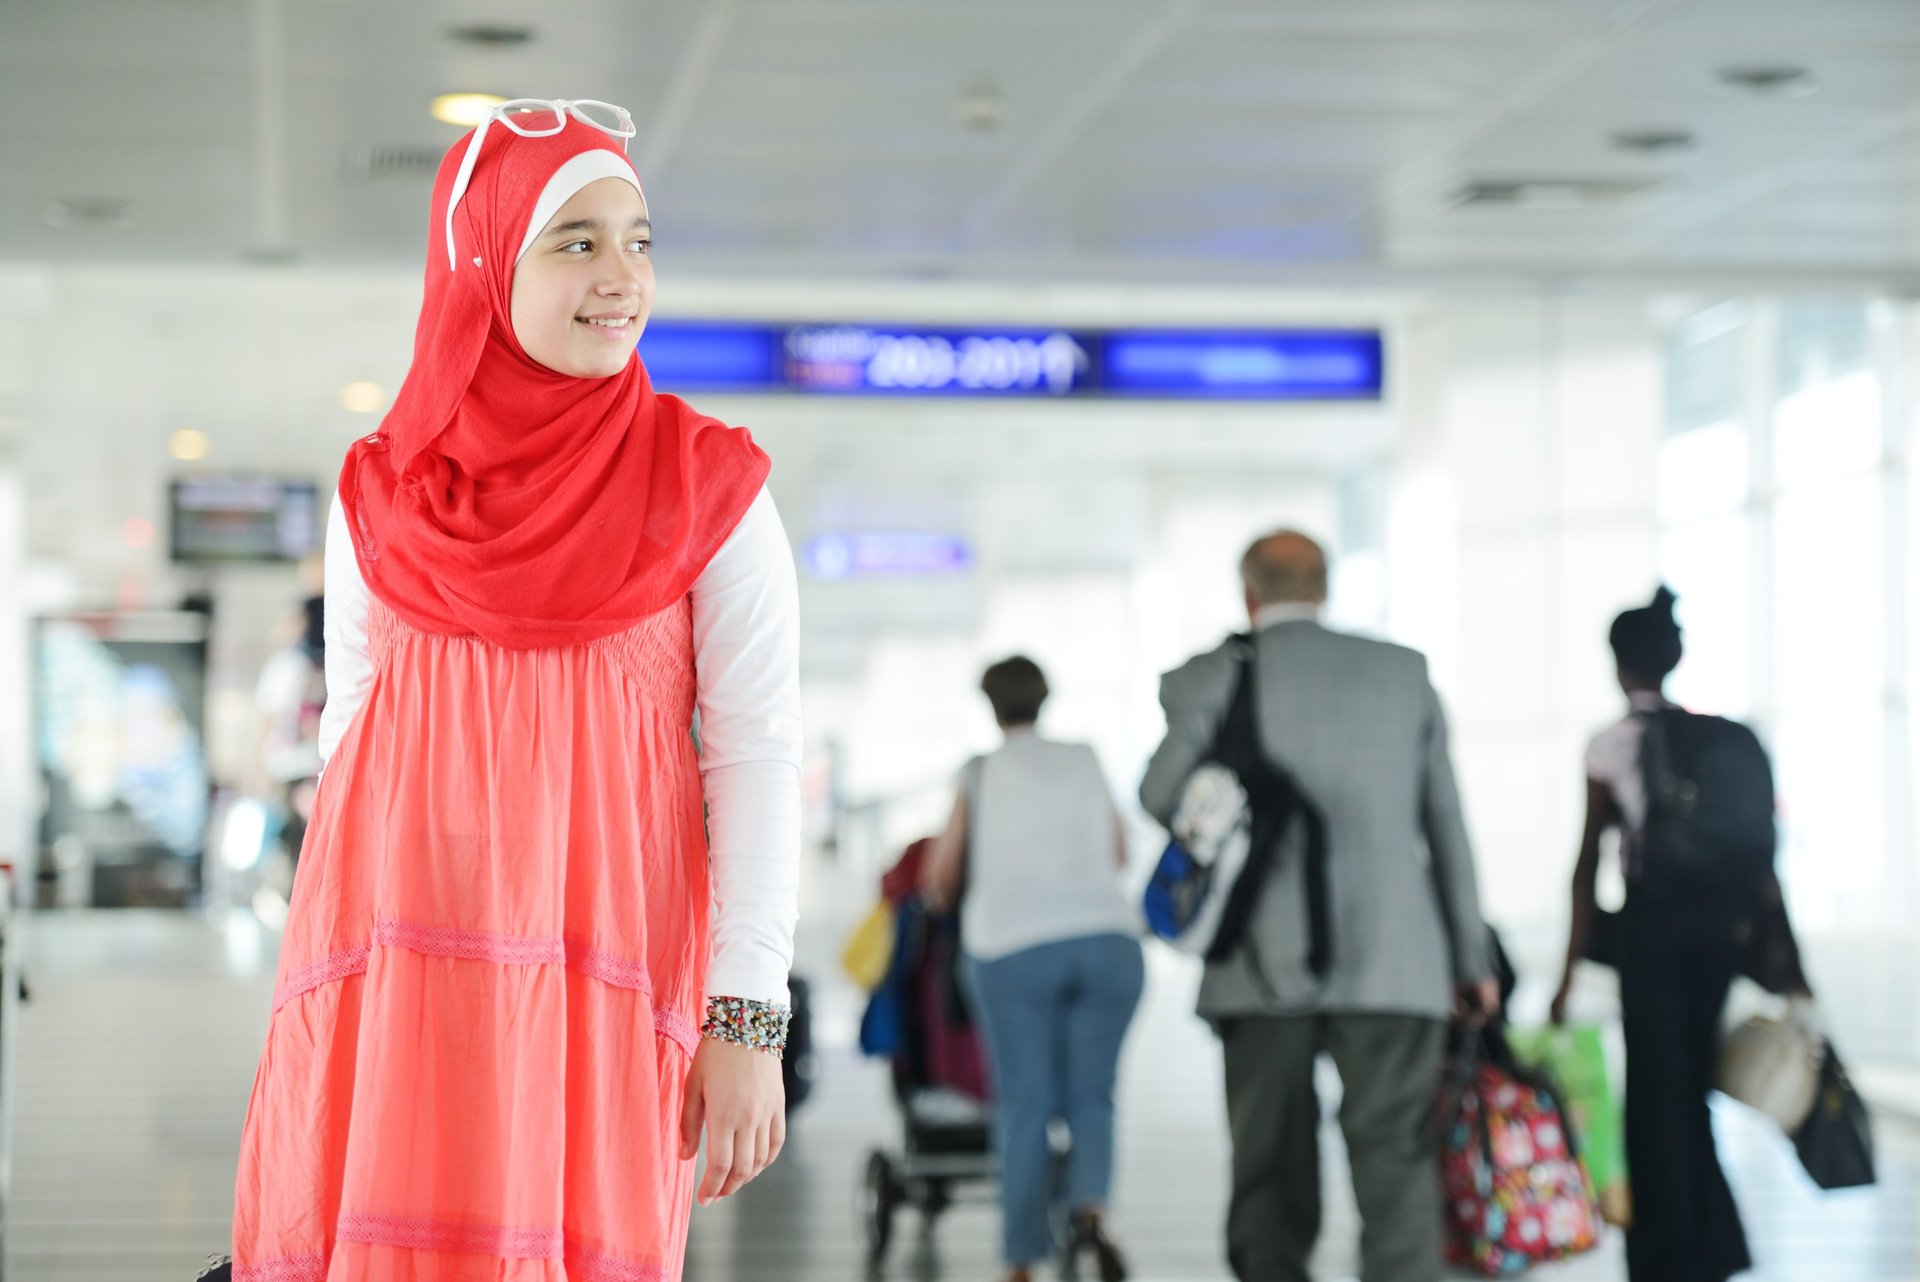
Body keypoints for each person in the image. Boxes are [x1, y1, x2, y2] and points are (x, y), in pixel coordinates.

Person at [223, 99, 802, 1282]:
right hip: (405, 977)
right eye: (575, 240)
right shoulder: (381, 493)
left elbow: (757, 756)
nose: (621, 276)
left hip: (602, 974)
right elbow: (357, 744)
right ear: (483, 263)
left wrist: (747, 1017)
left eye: (638, 239)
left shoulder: (710, 488)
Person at [1140, 530, 1497, 1282]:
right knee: (1396, 1158)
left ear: (1248, 593)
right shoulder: (1405, 674)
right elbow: (1447, 828)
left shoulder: (1213, 676)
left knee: (1269, 1161)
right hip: (1399, 958)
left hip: (1261, 961)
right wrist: (1470, 959)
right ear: (1325, 587)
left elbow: (1159, 794)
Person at [1551, 587, 1771, 1282]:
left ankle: (1663, 1253)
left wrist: (1564, 978)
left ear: (1619, 666)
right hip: (1716, 937)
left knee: (1653, 1091)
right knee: (1692, 1088)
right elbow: (1760, 859)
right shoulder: (1721, 740)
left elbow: (1588, 864)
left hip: (1650, 935)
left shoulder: (1614, 743)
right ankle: (1715, 1245)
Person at [923, 656, 1142, 1282]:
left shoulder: (980, 770)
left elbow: (941, 876)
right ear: (1045, 699)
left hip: (1011, 945)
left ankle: (1021, 1261)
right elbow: (1120, 851)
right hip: (1108, 942)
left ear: (990, 706)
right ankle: (1093, 1212)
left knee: (1026, 1104)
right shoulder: (1086, 757)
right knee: (1092, 1096)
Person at [251, 595, 326, 866]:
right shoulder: (329, 662)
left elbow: (269, 719)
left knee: (294, 850)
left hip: (288, 767)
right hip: (320, 765)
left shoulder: (284, 665)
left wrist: (259, 769)